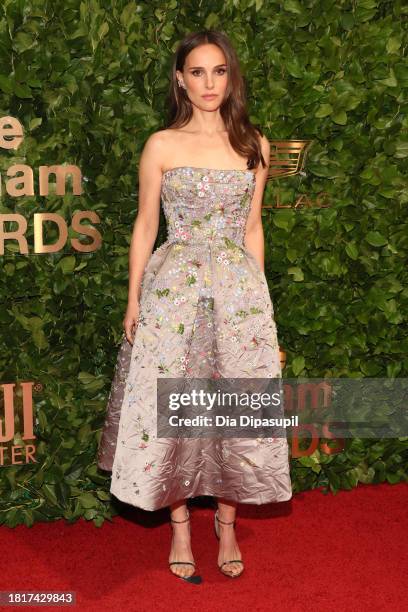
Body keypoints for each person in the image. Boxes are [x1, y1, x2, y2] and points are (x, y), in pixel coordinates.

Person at [97, 29, 292, 583]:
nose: (210, 83)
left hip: (237, 290)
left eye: (220, 71)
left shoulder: (254, 142)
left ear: (231, 78)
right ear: (180, 79)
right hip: (174, 288)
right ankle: (179, 521)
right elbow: (145, 225)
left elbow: (253, 227)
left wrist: (262, 299)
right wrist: (134, 298)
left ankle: (226, 523)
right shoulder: (162, 144)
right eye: (198, 72)